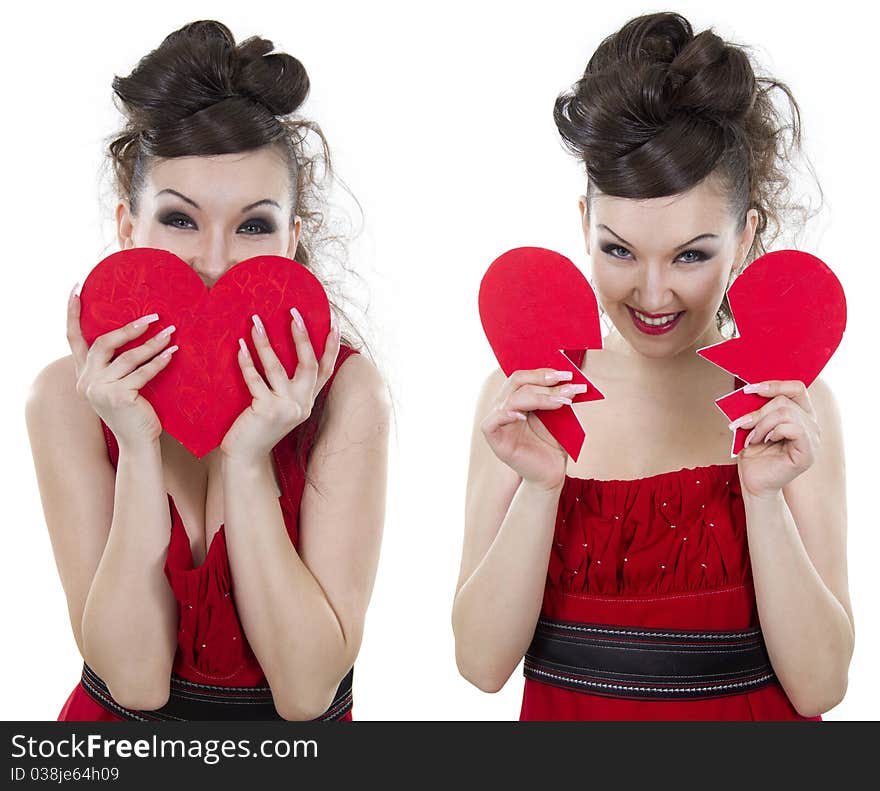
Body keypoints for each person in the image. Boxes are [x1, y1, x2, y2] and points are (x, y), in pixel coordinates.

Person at [452, 11, 853, 720]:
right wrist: (542, 488)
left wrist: (762, 497)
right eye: (619, 250)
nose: (654, 293)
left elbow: (821, 686)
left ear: (745, 235)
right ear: (583, 223)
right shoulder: (526, 391)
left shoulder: (789, 401)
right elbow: (482, 665)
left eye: (692, 255)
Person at [25, 20, 389, 721]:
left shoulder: (347, 394)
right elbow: (134, 682)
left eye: (253, 225)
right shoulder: (65, 401)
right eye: (180, 219)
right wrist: (133, 442)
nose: (215, 261)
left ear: (292, 240)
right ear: (130, 229)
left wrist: (249, 459)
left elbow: (307, 691)